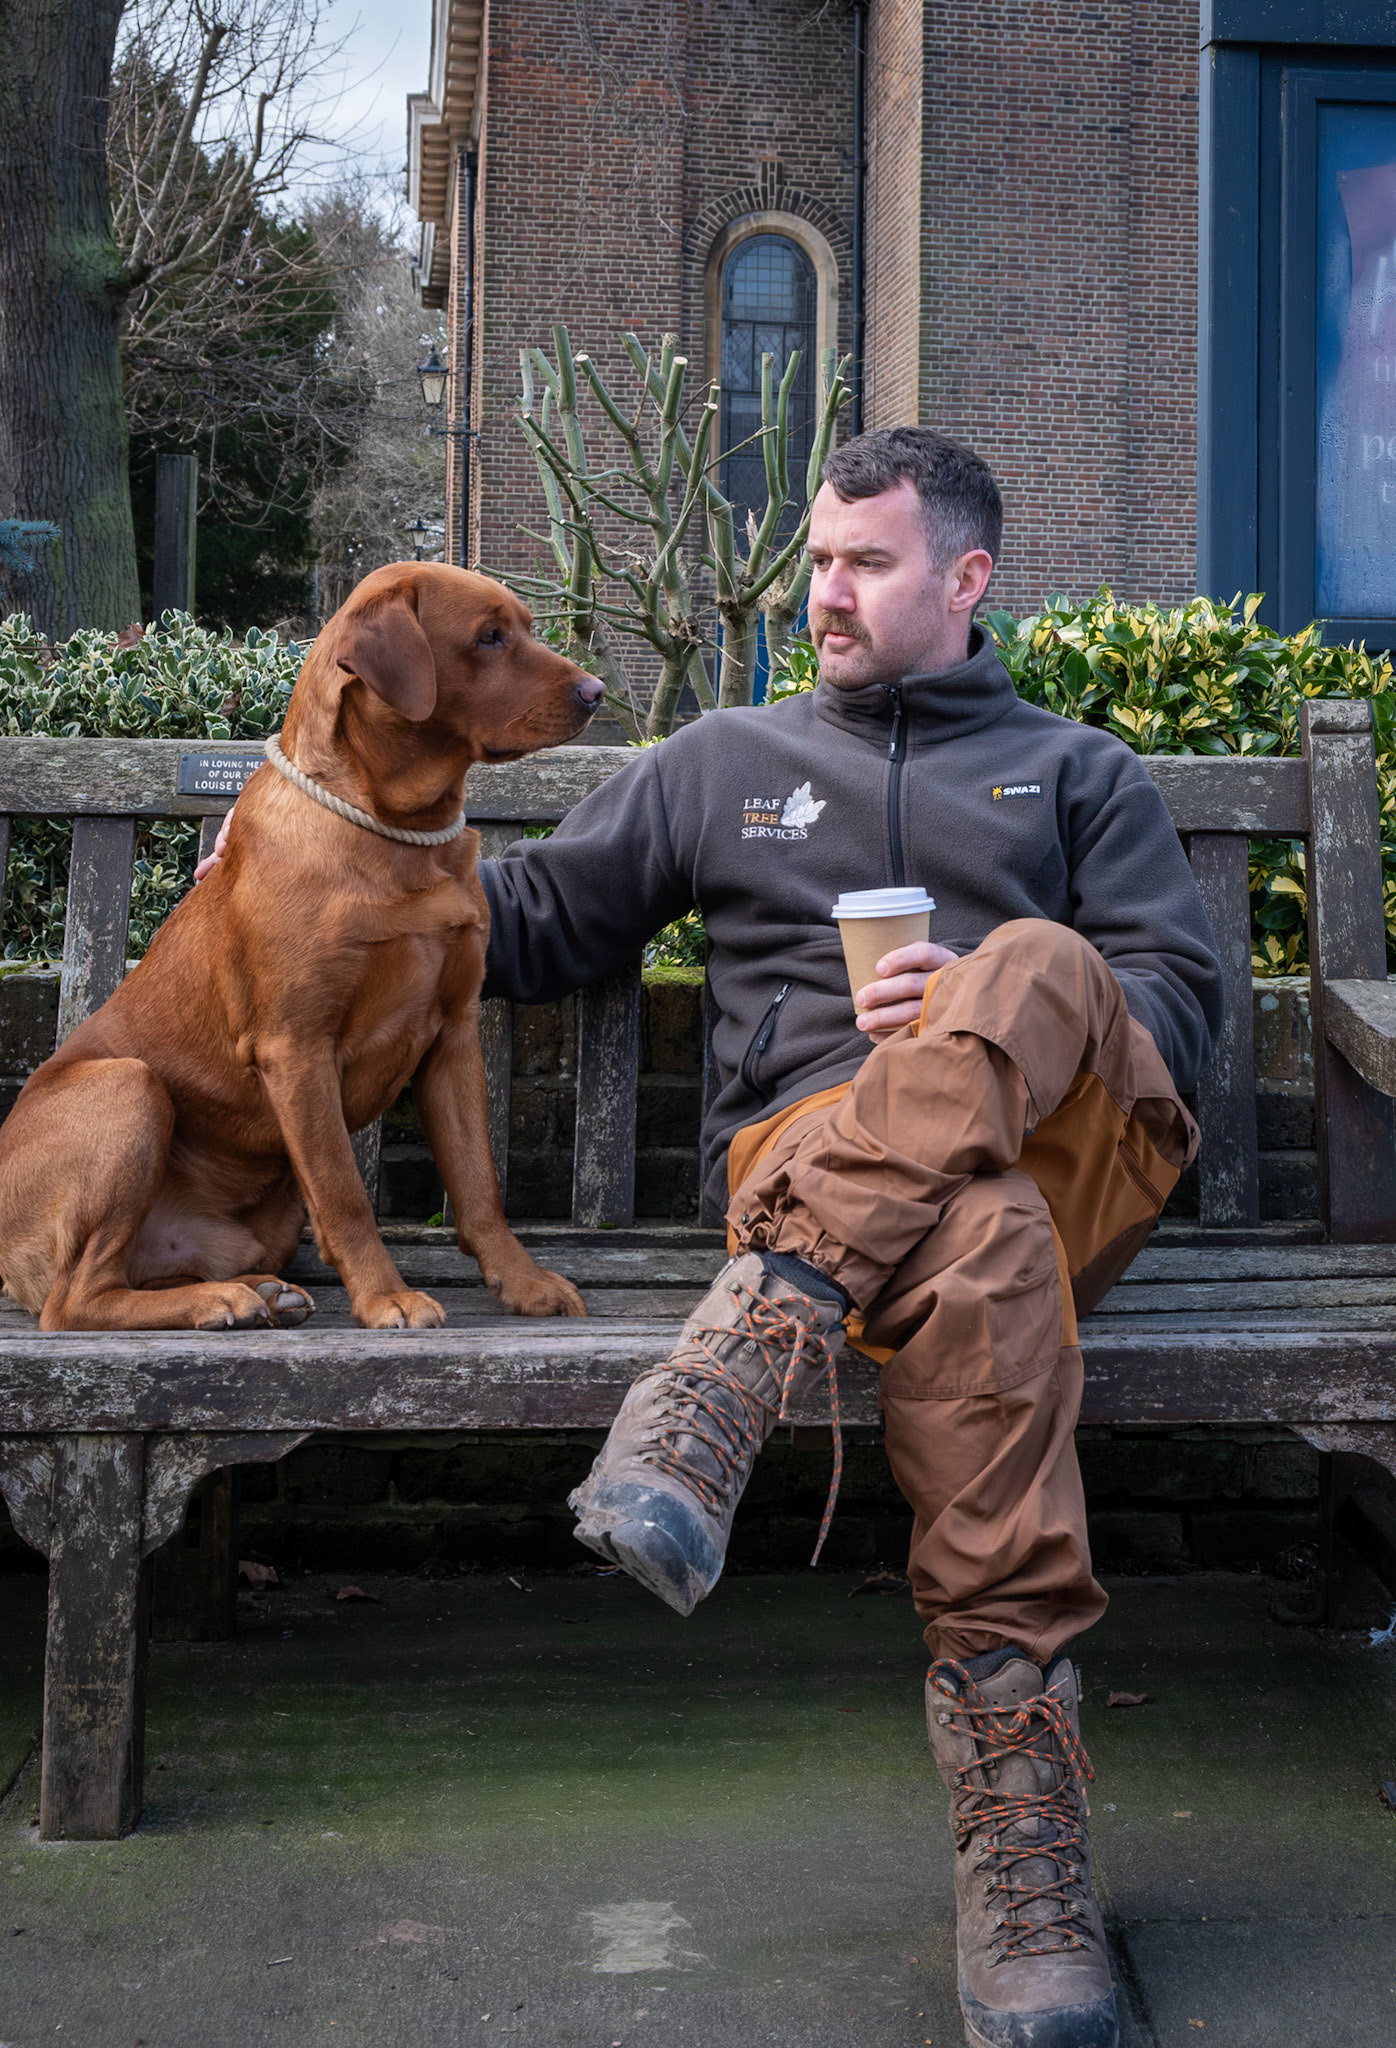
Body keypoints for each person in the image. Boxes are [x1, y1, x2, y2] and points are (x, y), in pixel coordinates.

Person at [200, 429, 1220, 2048]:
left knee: (1038, 967)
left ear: (964, 579)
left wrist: (972, 996)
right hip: (840, 1168)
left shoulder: (1078, 769)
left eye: (865, 563)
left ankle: (735, 1367)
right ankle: (1028, 1860)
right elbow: (506, 927)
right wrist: (293, 848)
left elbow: (1173, 1011)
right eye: (817, 557)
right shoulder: (722, 759)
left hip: (1061, 1139)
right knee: (986, 1231)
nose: (825, 589)